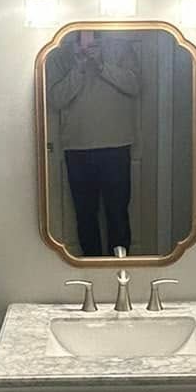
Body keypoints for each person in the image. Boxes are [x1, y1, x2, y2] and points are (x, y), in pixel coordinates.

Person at [48, 28, 140, 256]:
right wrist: (78, 67)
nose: (88, 40)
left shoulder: (121, 49)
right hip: (77, 148)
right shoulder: (59, 55)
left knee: (117, 214)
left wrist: (101, 66)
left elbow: (135, 85)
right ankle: (91, 269)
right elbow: (56, 99)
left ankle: (121, 269)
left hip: (116, 145)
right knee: (85, 215)